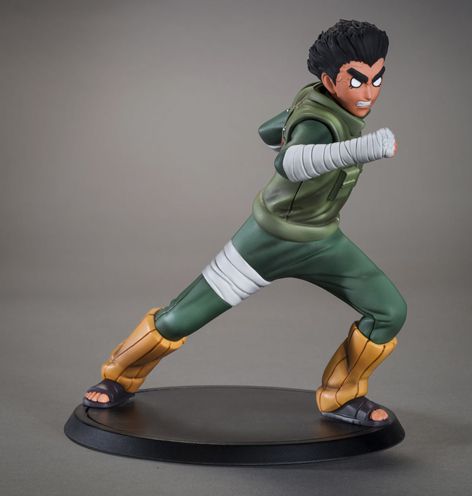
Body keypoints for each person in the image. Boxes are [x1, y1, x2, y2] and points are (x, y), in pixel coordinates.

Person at [83, 19, 407, 426]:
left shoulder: (321, 99)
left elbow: (270, 129)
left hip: (323, 240)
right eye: (357, 81)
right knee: (182, 316)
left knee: (389, 310)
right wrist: (366, 148)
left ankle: (342, 396)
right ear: (330, 80)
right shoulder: (318, 122)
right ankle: (119, 377)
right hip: (268, 240)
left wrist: (281, 131)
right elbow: (290, 163)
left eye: (378, 79)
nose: (369, 92)